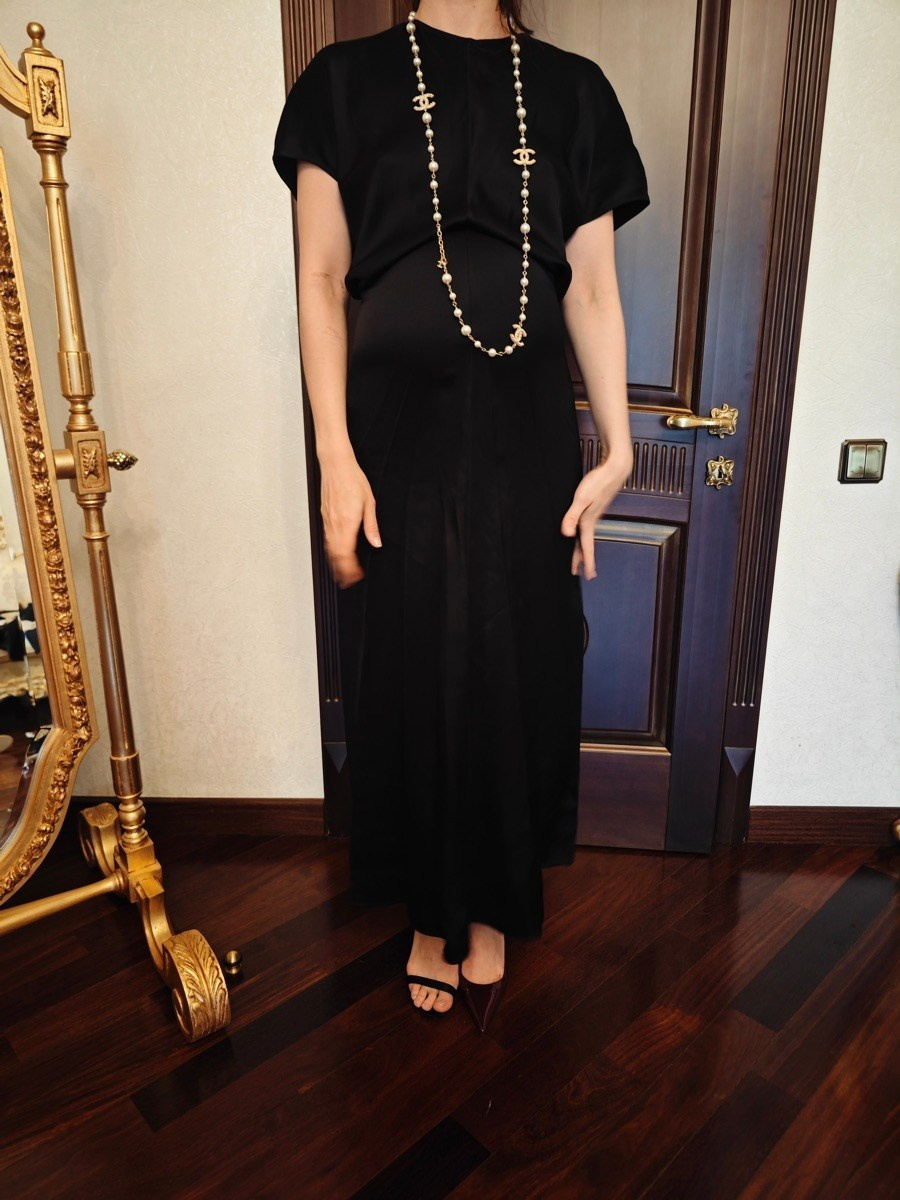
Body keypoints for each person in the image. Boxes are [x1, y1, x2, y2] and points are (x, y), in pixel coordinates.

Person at [272, 0, 650, 1032]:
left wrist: (619, 448)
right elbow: (320, 276)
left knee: (515, 658)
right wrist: (334, 454)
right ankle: (430, 907)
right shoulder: (342, 82)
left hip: (528, 429)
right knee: (412, 660)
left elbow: (593, 293)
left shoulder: (575, 92)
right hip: (393, 428)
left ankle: (491, 901)